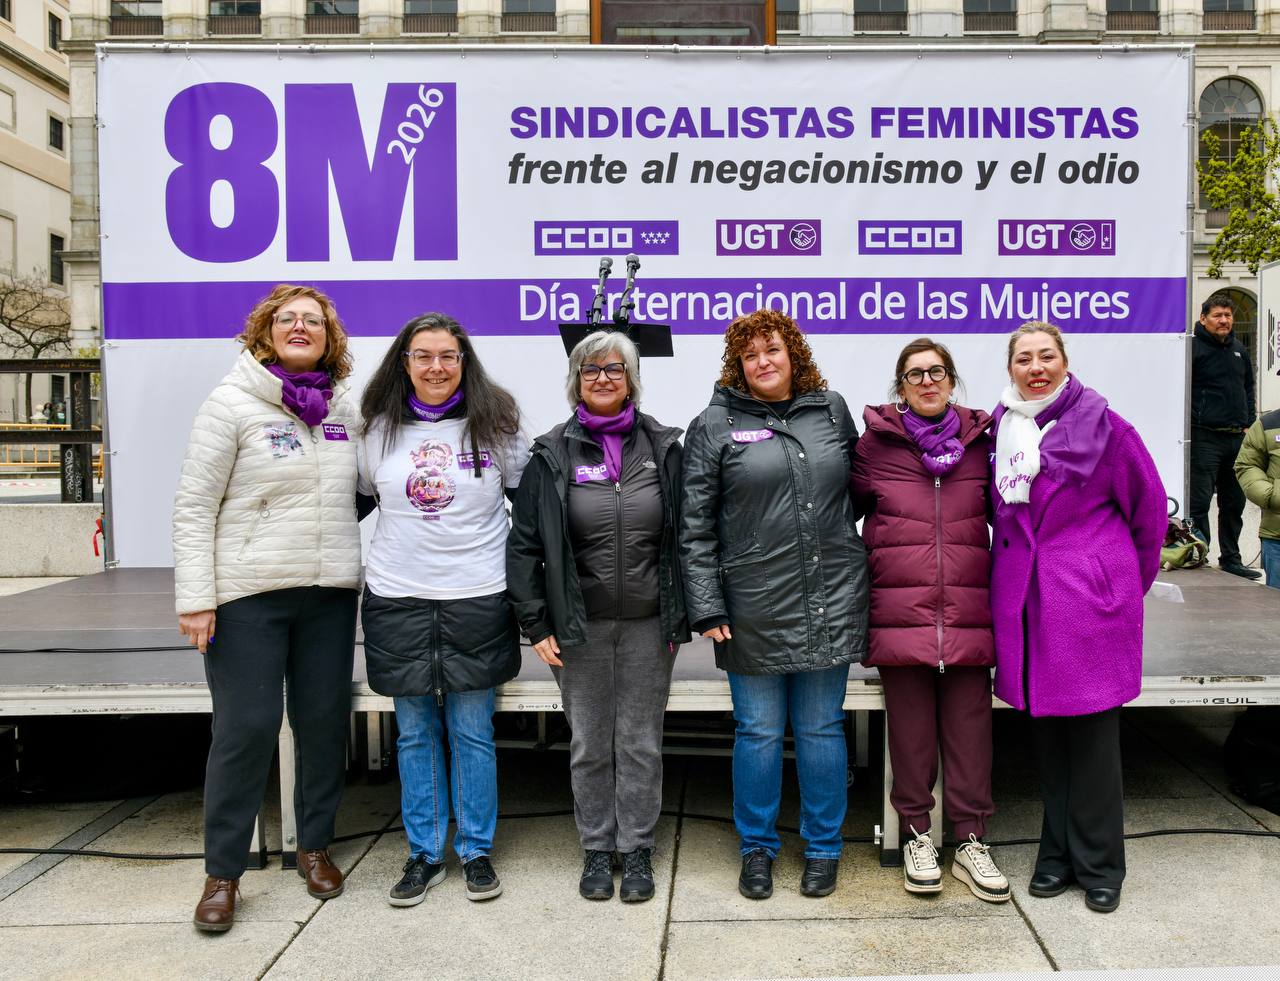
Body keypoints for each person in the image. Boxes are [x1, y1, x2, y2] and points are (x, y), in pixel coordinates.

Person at [172, 284, 361, 933]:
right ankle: (223, 871)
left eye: (313, 319)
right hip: (248, 592)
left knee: (322, 724)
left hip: (330, 593)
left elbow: (367, 487)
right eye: (288, 318)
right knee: (247, 727)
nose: (301, 326)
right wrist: (196, 596)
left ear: (329, 337)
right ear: (266, 332)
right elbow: (195, 505)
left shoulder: (345, 408)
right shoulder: (231, 403)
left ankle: (313, 846)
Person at [681, 308, 868, 901]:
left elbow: (856, 493)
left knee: (820, 728)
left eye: (773, 351)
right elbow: (695, 526)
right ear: (738, 365)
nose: (763, 362)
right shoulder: (713, 425)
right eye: (750, 355)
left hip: (828, 595)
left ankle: (823, 848)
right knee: (758, 731)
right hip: (751, 605)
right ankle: (757, 849)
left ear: (794, 355)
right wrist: (707, 605)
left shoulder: (831, 410)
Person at [507, 329, 690, 903]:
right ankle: (596, 848)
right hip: (577, 627)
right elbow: (525, 546)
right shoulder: (551, 453)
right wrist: (536, 624)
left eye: (614, 368)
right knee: (589, 742)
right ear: (576, 382)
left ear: (632, 378)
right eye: (591, 370)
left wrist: (685, 613)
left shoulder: (663, 447)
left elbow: (688, 533)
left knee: (638, 741)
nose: (603, 377)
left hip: (647, 624)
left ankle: (635, 848)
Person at [989, 321, 1166, 914]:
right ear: (1010, 369)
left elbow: (1149, 519)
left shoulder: (1109, 429)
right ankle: (1056, 857)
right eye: (1023, 359)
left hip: (1089, 608)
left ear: (1065, 362)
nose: (1035, 367)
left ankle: (1101, 867)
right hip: (1029, 607)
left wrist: (1115, 585)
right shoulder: (1003, 432)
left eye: (1046, 356)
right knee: (1047, 740)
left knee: (1091, 743)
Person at [357, 312, 529, 907]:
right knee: (414, 733)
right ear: (403, 363)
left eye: (448, 356)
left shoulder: (497, 426)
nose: (436, 367)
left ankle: (476, 851)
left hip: (477, 596)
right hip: (397, 597)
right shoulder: (375, 430)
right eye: (423, 356)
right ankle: (425, 854)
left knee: (472, 730)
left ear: (465, 362)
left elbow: (530, 513)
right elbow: (346, 505)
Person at [850, 338, 1008, 903]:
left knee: (971, 735)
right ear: (900, 387)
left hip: (968, 613)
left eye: (936, 371)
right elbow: (840, 515)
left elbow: (1011, 522)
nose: (926, 381)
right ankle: (918, 833)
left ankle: (969, 840)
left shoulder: (980, 444)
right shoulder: (874, 448)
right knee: (910, 737)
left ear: (951, 379)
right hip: (900, 615)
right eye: (914, 374)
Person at [1190, 293, 1260, 579]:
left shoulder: (1239, 350)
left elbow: (1248, 389)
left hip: (1235, 439)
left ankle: (1231, 558)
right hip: (1204, 437)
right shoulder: (1192, 348)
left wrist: (1249, 423)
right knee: (1200, 502)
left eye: (1228, 316)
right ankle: (1199, 555)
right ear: (1204, 318)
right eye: (1218, 315)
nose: (1224, 321)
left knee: (1234, 502)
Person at [1234, 395, 1280, 588]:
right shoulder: (1267, 425)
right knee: (1274, 611)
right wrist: (1273, 495)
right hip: (1277, 538)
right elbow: (1246, 465)